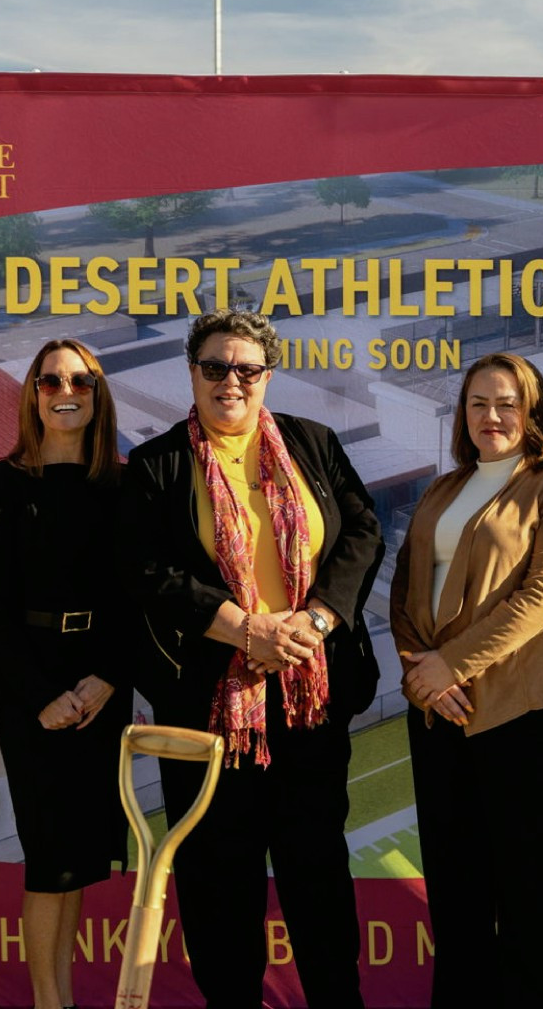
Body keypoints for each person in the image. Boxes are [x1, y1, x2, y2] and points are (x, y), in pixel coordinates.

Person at [124, 309, 384, 1009]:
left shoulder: (313, 442)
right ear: (192, 373)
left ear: (267, 376)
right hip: (212, 716)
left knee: (318, 879)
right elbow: (147, 574)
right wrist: (244, 630)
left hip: (310, 704)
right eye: (215, 367)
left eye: (246, 369)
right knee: (218, 889)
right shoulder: (156, 466)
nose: (230, 381)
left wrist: (317, 619)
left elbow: (362, 530)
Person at [389, 352, 543, 1009]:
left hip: (513, 711)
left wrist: (454, 664)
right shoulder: (442, 491)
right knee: (455, 887)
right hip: (437, 714)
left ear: (532, 413)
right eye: (479, 403)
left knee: (532, 889)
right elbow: (404, 592)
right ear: (463, 415)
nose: (493, 416)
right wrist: (420, 671)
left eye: (507, 403)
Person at [0, 340, 132, 1009]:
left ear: (99, 394)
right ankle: (49, 1003)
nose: (66, 390)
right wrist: (42, 697)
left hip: (101, 685)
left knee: (81, 860)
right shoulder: (0, 482)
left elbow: (137, 596)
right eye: (51, 379)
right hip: (32, 688)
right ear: (33, 393)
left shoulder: (124, 484)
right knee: (48, 859)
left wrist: (106, 680)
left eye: (82, 380)